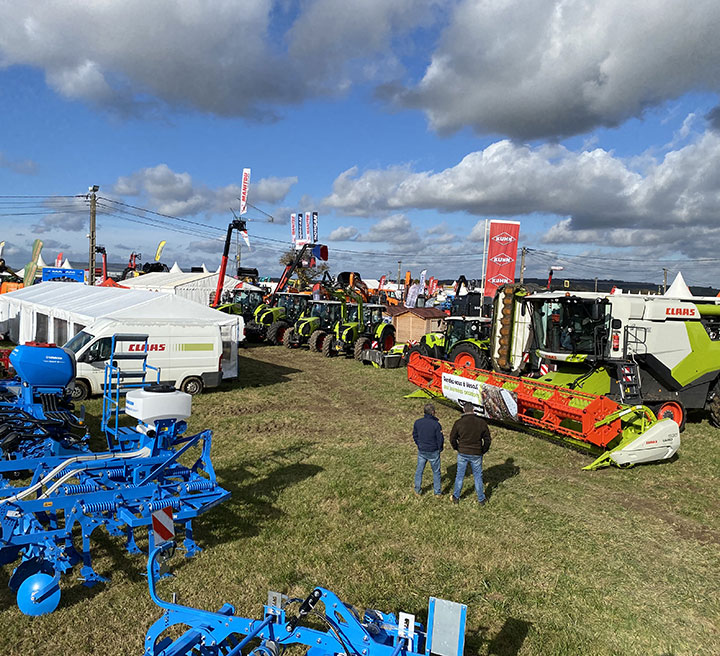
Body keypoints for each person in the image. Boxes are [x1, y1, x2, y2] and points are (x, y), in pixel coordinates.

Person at [450, 402, 492, 505]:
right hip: (477, 453)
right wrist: (483, 450)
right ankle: (481, 499)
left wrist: (457, 448)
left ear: (464, 410)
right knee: (478, 476)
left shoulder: (458, 423)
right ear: (473, 410)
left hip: (463, 452)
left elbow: (452, 438)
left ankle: (456, 497)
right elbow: (487, 439)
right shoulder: (481, 423)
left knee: (459, 475)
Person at [412, 403, 444, 496]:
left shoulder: (417, 422)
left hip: (422, 450)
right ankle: (437, 493)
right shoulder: (436, 425)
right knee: (436, 472)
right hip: (433, 451)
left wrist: (419, 444)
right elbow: (440, 439)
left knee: (419, 470)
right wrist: (440, 448)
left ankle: (417, 490)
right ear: (433, 412)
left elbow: (415, 435)